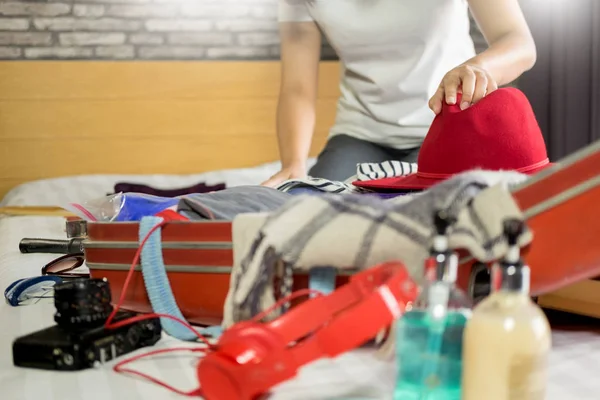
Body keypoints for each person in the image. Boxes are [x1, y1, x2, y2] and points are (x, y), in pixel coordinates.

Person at [261, 0, 537, 186]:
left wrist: (477, 68)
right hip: (359, 132)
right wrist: (293, 164)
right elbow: (297, 87)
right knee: (316, 211)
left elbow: (518, 42)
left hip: (444, 124)